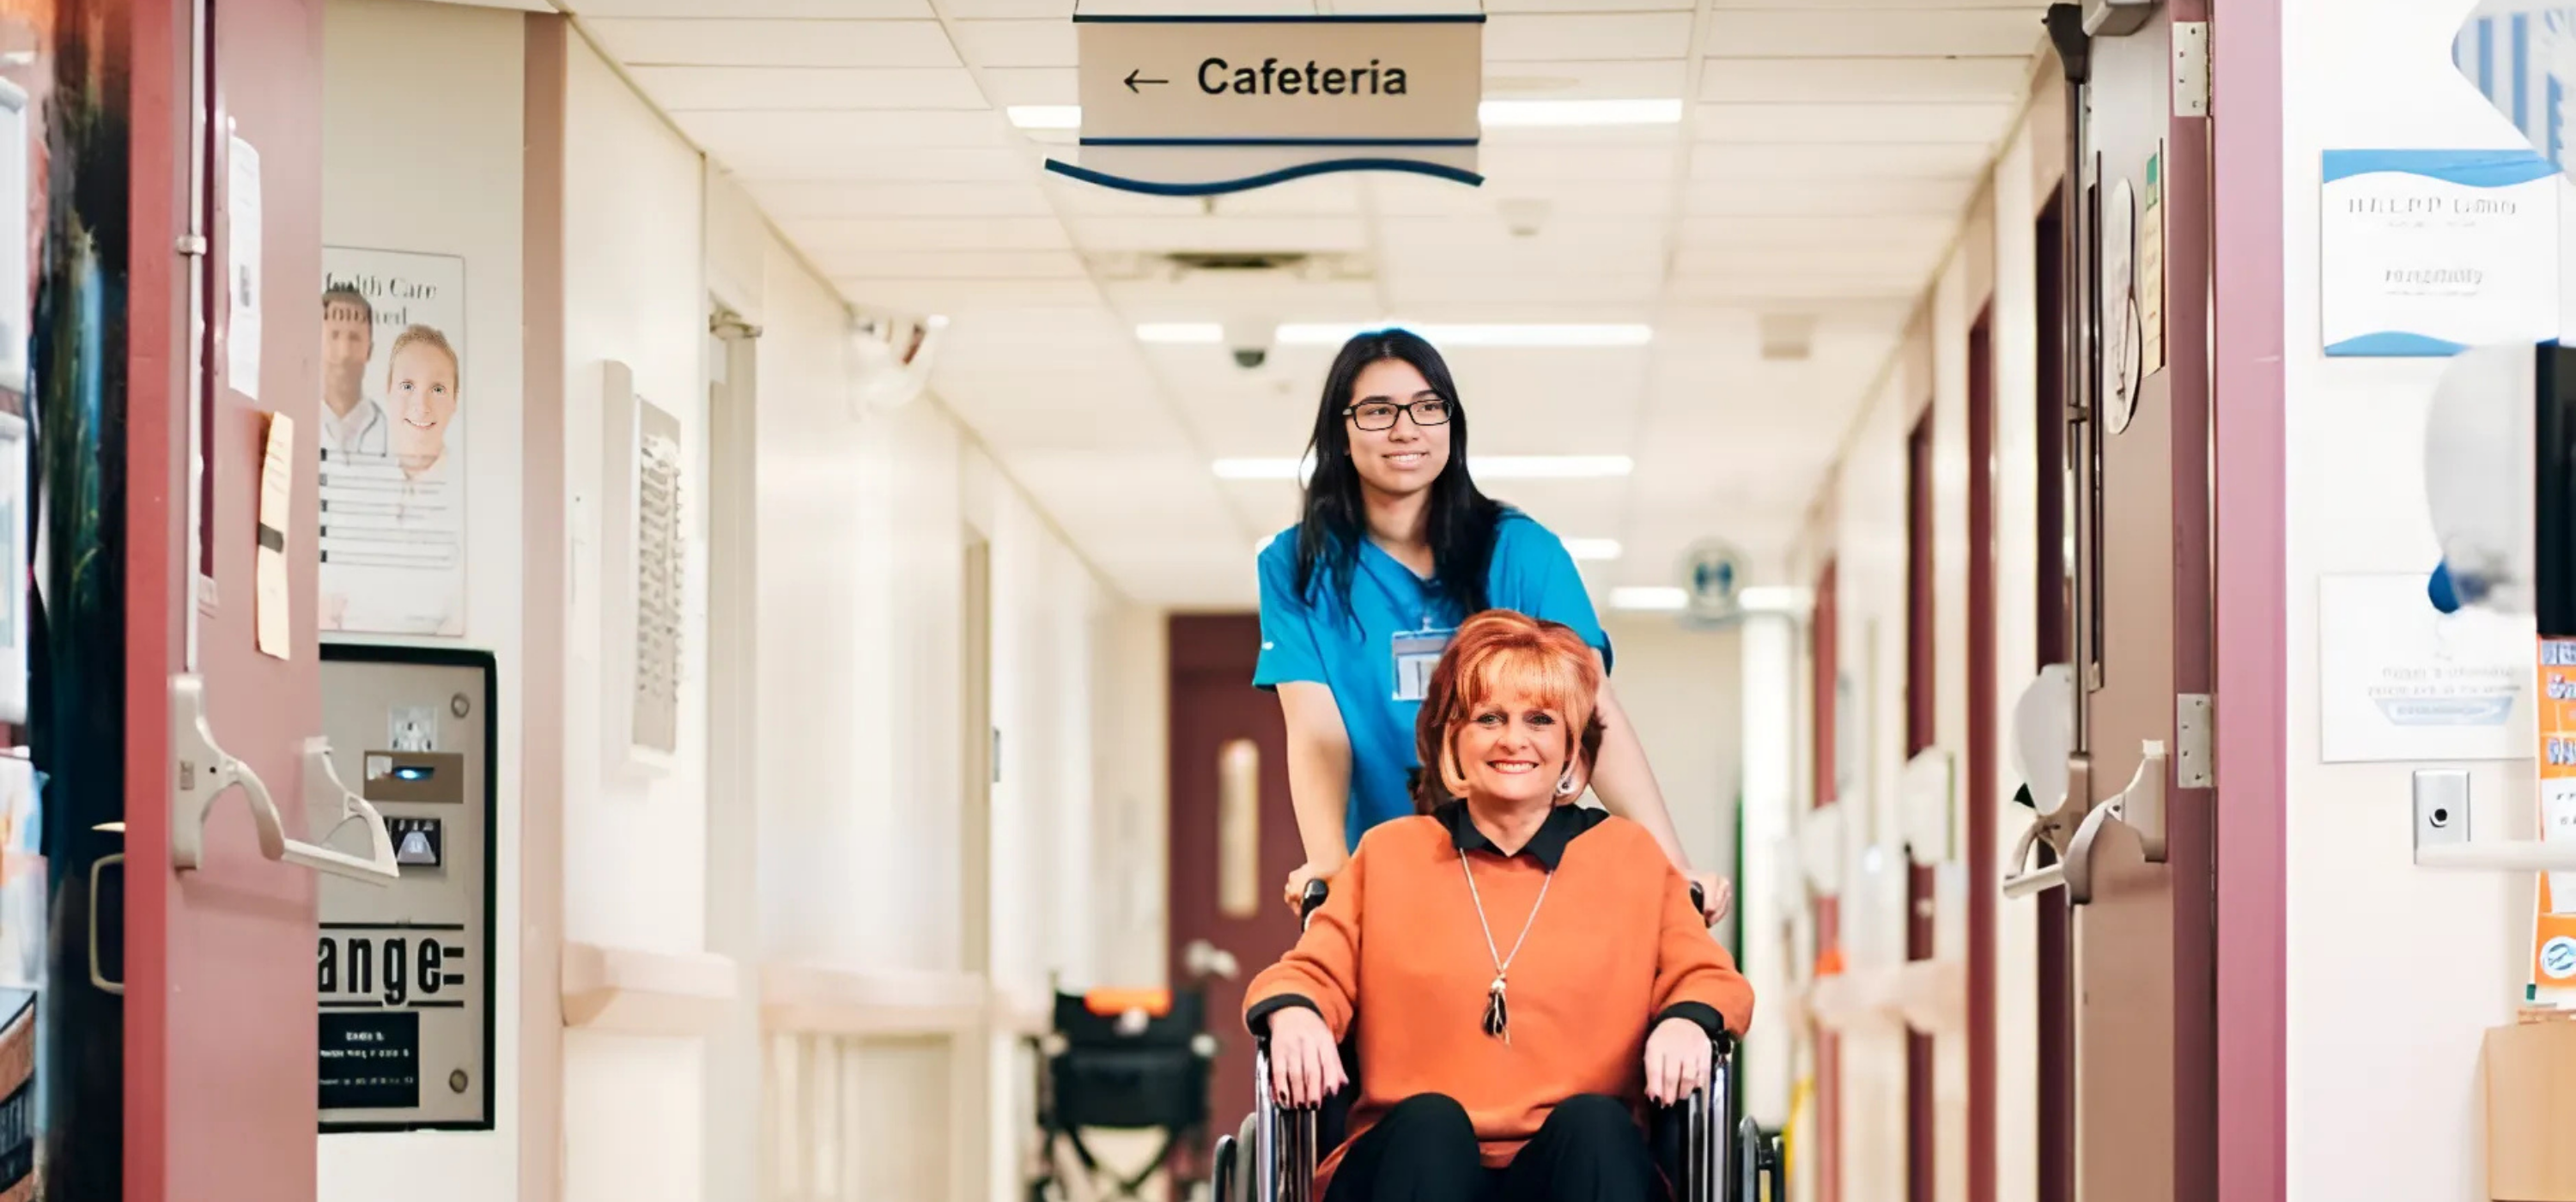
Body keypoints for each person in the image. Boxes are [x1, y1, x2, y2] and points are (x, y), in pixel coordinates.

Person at [1243, 610, 1755, 1202]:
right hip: (1407, 1164)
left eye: (1541, 720)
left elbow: (1712, 978)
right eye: (1490, 718)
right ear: (1452, 738)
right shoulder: (1389, 854)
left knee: (1594, 1125)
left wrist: (1688, 1019)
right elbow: (1309, 971)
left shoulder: (1630, 857)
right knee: (1432, 1125)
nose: (1514, 739)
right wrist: (1296, 1012)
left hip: (1580, 1166)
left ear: (1573, 749)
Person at [1254, 327, 1730, 924]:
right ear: (1340, 434)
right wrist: (1329, 864)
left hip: (1524, 867)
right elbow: (1317, 731)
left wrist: (1670, 865)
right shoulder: (1294, 565)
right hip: (1386, 876)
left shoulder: (1522, 551)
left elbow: (1588, 710)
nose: (1406, 429)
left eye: (1428, 408)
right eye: (1378, 412)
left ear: (1452, 428)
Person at [320, 284, 388, 458]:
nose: (345, 353)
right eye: (334, 336)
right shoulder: (294, 426)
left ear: (370, 350)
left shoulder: (391, 431)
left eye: (355, 338)